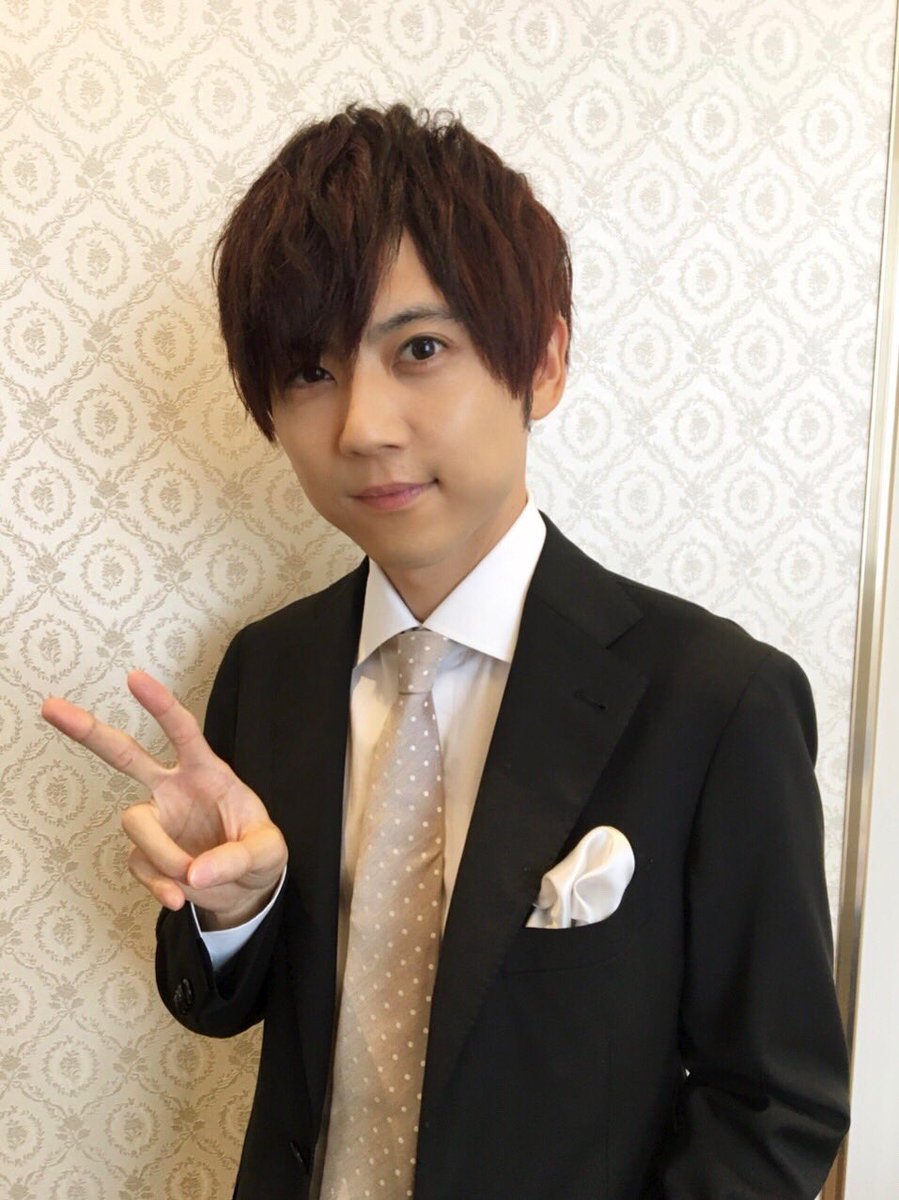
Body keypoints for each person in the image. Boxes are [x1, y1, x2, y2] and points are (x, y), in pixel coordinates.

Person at [42, 103, 850, 1199]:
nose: (362, 427)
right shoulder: (269, 670)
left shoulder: (714, 697)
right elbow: (223, 1008)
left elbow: (777, 1105)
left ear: (543, 361)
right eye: (309, 372)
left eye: (419, 349)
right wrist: (229, 915)